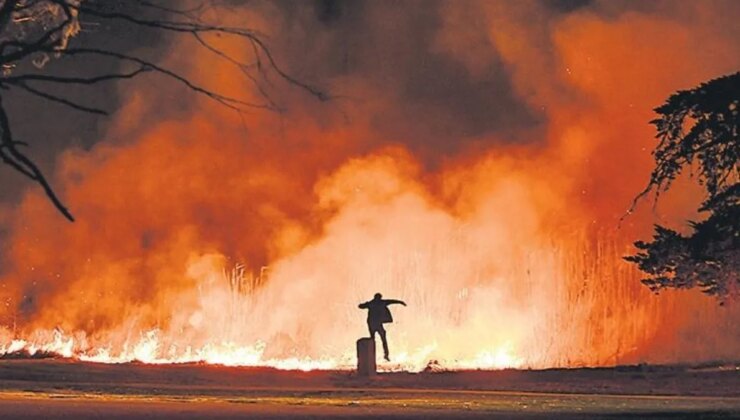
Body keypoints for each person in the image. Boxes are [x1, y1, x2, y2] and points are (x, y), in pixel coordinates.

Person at [358, 293, 406, 361]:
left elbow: (360, 306)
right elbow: (392, 301)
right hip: (377, 323)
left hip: (372, 323)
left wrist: (365, 304)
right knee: (382, 339)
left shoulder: (371, 303)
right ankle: (385, 355)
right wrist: (401, 302)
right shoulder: (382, 302)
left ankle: (373, 355)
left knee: (373, 339)